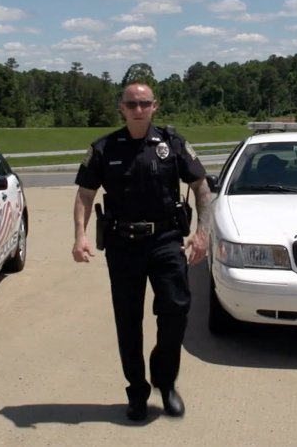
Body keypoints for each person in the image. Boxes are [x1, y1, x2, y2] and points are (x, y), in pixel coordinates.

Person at [71, 83, 211, 422]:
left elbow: (202, 189)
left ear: (155, 106)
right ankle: (137, 391)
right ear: (121, 106)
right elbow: (85, 195)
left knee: (176, 310)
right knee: (128, 320)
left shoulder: (172, 144)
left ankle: (165, 381)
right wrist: (80, 236)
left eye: (144, 103)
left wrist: (203, 234)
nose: (138, 109)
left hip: (165, 240)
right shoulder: (105, 148)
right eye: (131, 103)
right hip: (123, 245)